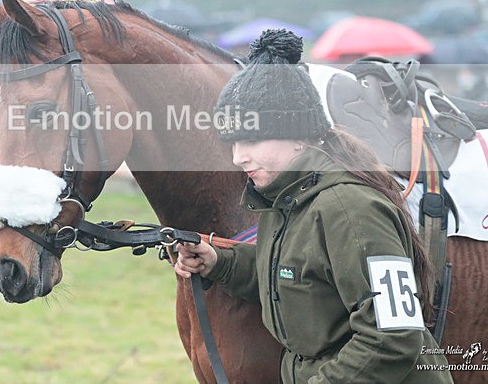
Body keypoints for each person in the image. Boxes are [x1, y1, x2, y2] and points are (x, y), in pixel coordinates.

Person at [174, 29, 453, 383]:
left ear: (298, 135)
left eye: (251, 140)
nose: (238, 157)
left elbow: (394, 336)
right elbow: (293, 278)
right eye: (232, 143)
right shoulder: (285, 198)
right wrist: (220, 262)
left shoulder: (352, 209)